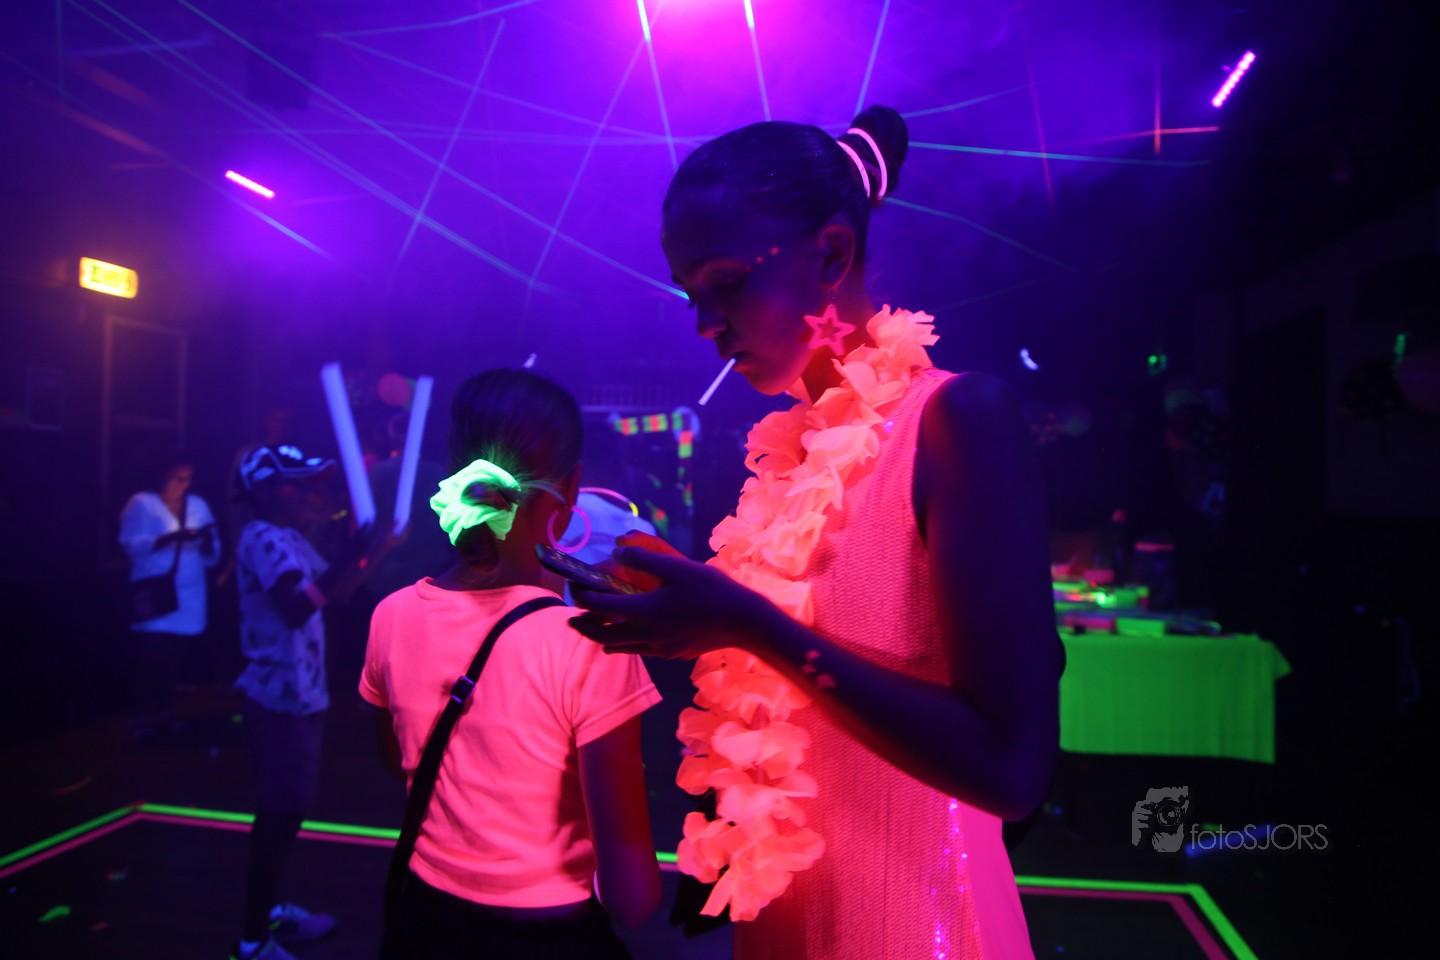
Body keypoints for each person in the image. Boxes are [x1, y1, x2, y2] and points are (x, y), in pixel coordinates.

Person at [570, 106, 1063, 959]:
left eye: (726, 282)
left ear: (831, 255)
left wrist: (746, 622)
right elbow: (799, 701)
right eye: (691, 294)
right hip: (785, 921)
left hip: (920, 927)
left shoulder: (956, 420)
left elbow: (1011, 769)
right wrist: (686, 608)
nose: (705, 324)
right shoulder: (788, 454)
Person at [361, 368, 662, 958]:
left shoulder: (390, 616)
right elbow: (632, 899)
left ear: (455, 476)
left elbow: (398, 761)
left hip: (422, 924)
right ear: (570, 490)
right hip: (548, 938)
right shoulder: (591, 642)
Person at [230, 443, 400, 960]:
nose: (308, 494)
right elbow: (296, 607)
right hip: (277, 698)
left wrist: (379, 548)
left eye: (309, 484)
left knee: (287, 812)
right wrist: (356, 549)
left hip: (299, 697)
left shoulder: (287, 538)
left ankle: (269, 912)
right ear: (264, 491)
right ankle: (253, 939)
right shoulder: (261, 536)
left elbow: (340, 589)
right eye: (294, 485)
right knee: (278, 815)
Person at [118, 450, 221, 737]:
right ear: (162, 476)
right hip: (156, 591)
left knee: (174, 657)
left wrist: (206, 541)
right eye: (178, 478)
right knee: (149, 655)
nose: (183, 484)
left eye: (188, 478)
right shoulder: (142, 503)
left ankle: (166, 711)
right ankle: (141, 716)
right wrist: (173, 537)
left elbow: (213, 553)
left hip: (190, 594)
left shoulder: (198, 505)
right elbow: (130, 545)